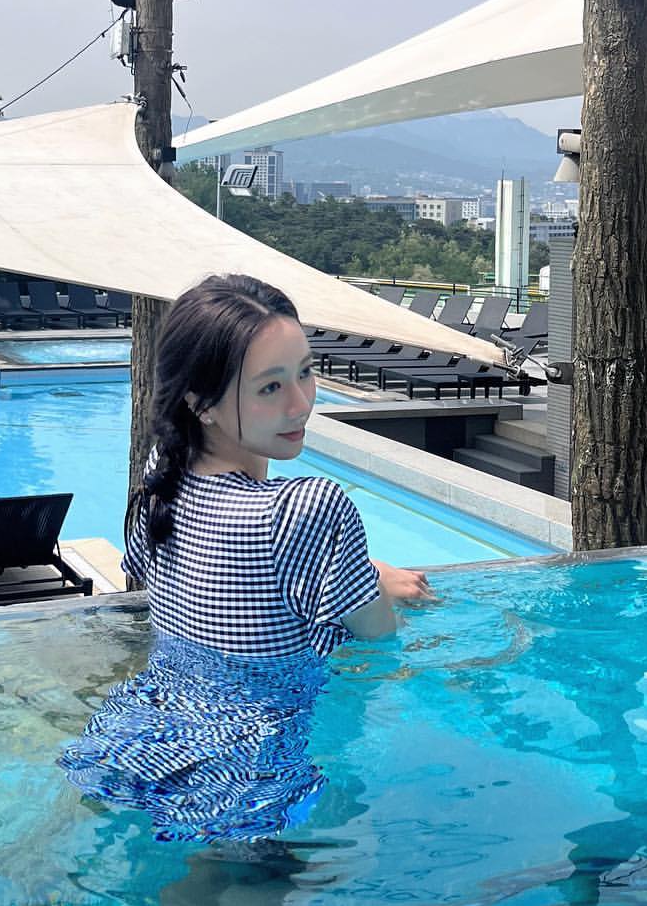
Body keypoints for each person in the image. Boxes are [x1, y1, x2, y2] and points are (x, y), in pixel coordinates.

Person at [58, 271, 434, 842]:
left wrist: (366, 571)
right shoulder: (308, 508)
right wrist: (377, 587)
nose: (301, 403)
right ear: (201, 403)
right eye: (270, 387)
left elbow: (241, 568)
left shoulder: (162, 480)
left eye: (305, 372)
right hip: (247, 767)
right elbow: (381, 641)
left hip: (137, 733)